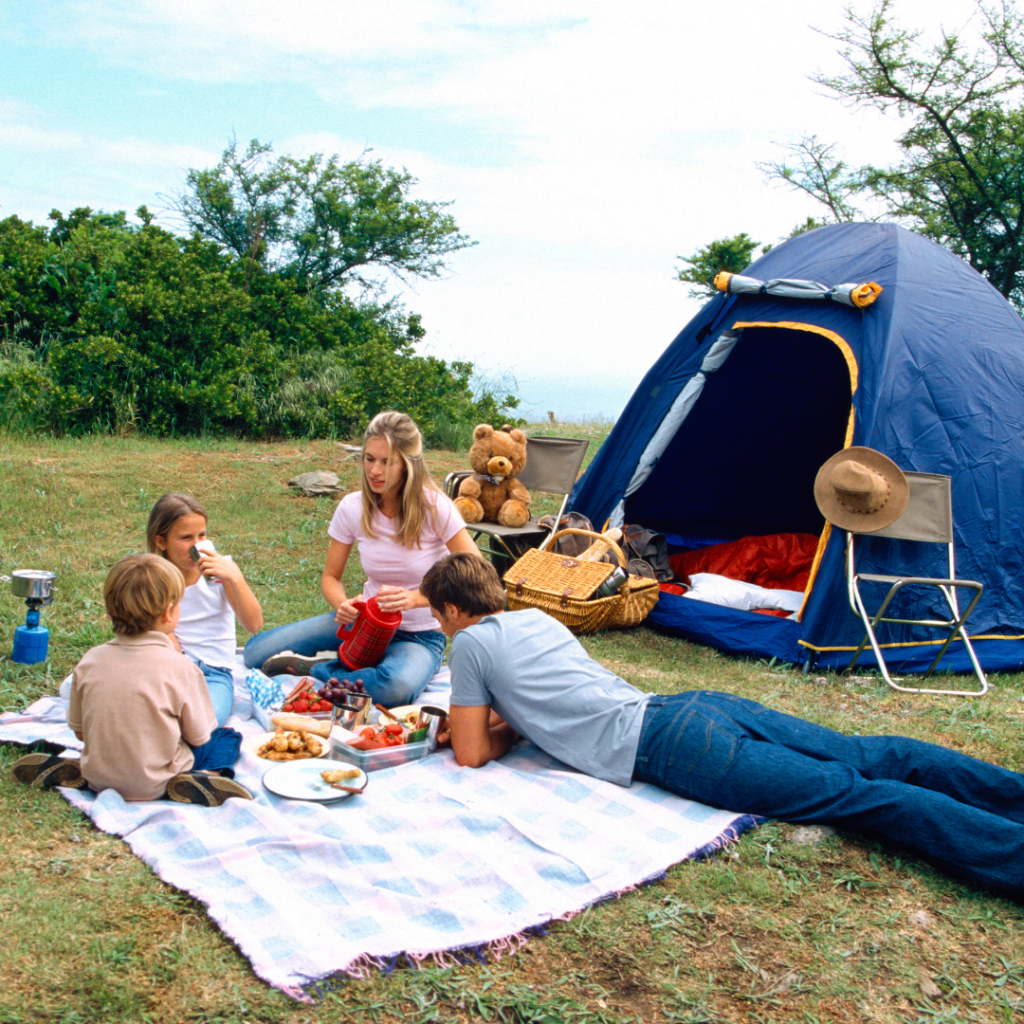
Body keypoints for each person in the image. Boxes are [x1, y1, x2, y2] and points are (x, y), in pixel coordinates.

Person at [421, 553, 1024, 901]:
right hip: (699, 705)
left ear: (452, 610)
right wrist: (515, 723)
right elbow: (540, 697)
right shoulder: (537, 621)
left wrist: (496, 730)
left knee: (856, 795)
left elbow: (472, 754)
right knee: (872, 755)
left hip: (671, 746)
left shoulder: (470, 645)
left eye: (439, 618)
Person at [243, 410, 482, 706]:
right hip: (363, 623)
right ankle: (350, 665)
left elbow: (476, 570)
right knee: (254, 653)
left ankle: (317, 669)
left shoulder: (434, 507)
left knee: (395, 687)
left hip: (418, 635)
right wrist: (341, 605)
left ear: (407, 465)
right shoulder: (352, 507)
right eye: (370, 459)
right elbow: (331, 578)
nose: (375, 471)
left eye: (387, 462)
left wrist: (416, 599)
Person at [11, 554, 252, 806]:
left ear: (109, 611)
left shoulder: (90, 660)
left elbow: (80, 733)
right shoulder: (182, 667)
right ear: (169, 612)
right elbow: (199, 737)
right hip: (157, 780)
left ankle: (86, 771)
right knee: (226, 738)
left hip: (98, 775)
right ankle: (203, 776)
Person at [147, 493, 263, 726]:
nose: (196, 545)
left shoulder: (219, 572)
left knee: (202, 722)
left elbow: (254, 624)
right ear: (161, 542)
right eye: (186, 538)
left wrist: (235, 578)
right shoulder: (152, 577)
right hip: (165, 667)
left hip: (212, 673)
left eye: (201, 535)